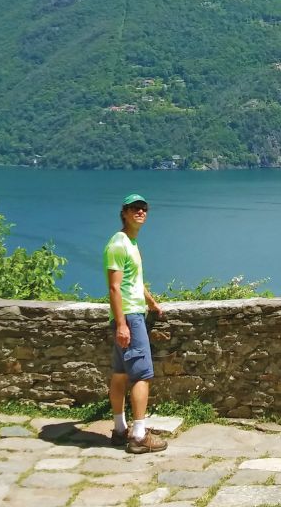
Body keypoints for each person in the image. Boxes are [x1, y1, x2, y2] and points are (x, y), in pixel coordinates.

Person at [105, 193, 167, 454]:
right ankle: (139, 436)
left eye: (144, 209)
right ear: (125, 213)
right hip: (129, 317)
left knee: (120, 374)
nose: (140, 212)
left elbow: (134, 282)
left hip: (130, 314)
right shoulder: (118, 244)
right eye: (135, 209)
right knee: (142, 375)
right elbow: (115, 287)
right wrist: (122, 324)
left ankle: (120, 430)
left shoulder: (131, 242)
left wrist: (151, 302)